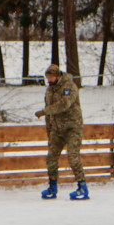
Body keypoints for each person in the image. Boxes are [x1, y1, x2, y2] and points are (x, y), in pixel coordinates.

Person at [34, 64, 88, 200]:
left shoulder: (69, 86)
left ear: (57, 76)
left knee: (73, 156)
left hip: (72, 127)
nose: (49, 80)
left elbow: (64, 104)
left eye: (51, 77)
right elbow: (49, 111)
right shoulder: (49, 90)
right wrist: (50, 129)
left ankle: (82, 187)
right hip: (56, 129)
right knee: (51, 157)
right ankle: (52, 187)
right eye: (47, 78)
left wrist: (44, 112)